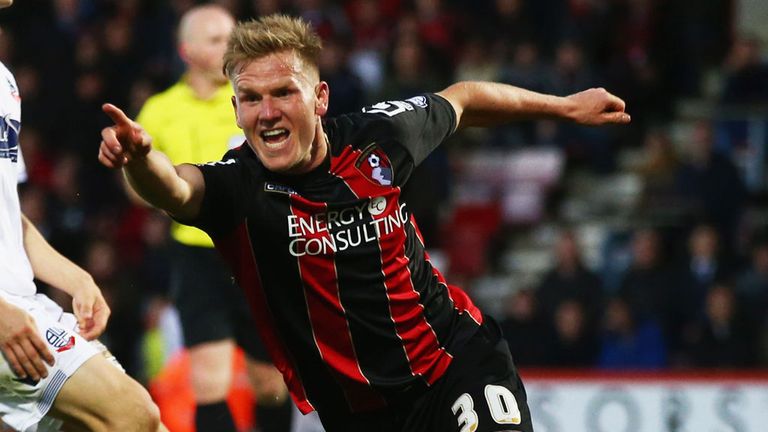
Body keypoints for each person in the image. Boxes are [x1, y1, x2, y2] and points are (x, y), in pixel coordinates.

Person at [98, 14, 630, 432]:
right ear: (236, 111)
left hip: (452, 364)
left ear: (320, 97)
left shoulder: (378, 139)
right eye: (251, 99)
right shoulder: (238, 188)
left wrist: (563, 107)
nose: (267, 112)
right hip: (358, 413)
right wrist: (141, 159)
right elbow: (174, 188)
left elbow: (463, 99)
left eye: (284, 92)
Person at [0, 1, 167, 431]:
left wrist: (76, 278)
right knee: (134, 415)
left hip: (19, 304)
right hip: (6, 313)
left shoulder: (3, 81)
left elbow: (8, 215)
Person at [132, 5, 293, 431]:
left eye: (232, 37)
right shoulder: (160, 110)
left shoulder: (255, 101)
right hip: (196, 256)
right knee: (209, 379)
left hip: (258, 250)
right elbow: (136, 181)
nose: (231, 46)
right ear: (187, 51)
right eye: (217, 39)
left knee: (271, 384)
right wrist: (152, 188)